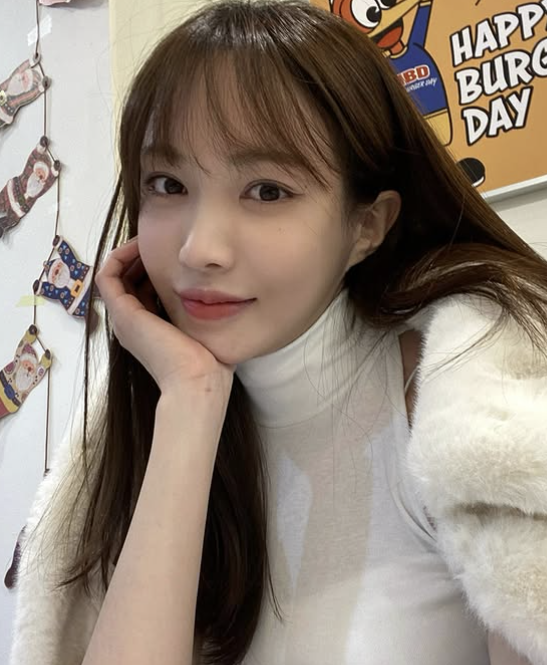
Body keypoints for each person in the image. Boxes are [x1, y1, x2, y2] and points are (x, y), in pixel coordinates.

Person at [8, 1, 547, 664]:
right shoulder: (143, 416)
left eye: (267, 191)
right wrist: (190, 401)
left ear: (366, 226)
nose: (200, 249)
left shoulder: (462, 418)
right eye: (168, 183)